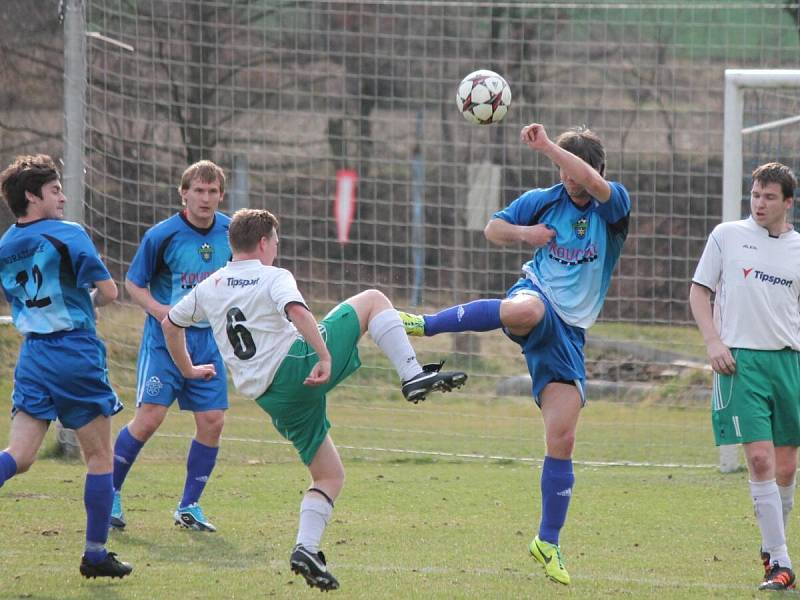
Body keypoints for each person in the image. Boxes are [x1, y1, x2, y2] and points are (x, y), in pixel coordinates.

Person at [161, 208, 468, 591]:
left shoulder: (210, 285)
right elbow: (296, 311)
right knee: (373, 299)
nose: (276, 249)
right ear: (263, 242)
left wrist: (189, 370)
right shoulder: (273, 275)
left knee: (329, 475)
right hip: (296, 366)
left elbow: (169, 324)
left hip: (270, 397)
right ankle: (412, 374)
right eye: (275, 242)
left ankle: (305, 548)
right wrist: (323, 355)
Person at [399, 123, 631, 585]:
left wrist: (548, 147)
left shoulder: (614, 206)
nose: (568, 179)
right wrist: (528, 236)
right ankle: (425, 324)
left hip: (571, 335)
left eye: (575, 169)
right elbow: (492, 227)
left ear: (596, 170)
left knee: (561, 438)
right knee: (525, 309)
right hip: (537, 294)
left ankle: (548, 541)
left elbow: (596, 185)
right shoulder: (543, 200)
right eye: (561, 169)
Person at [0, 154, 132, 579]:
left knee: (18, 457)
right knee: (99, 457)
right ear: (32, 196)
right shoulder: (67, 234)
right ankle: (95, 556)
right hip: (73, 351)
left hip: (33, 355)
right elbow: (110, 292)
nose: (63, 196)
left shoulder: (4, 245)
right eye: (55, 190)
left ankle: (97, 555)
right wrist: (85, 299)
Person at [690, 162, 800, 591]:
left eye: (770, 197)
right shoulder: (727, 236)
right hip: (740, 363)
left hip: (788, 362)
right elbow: (700, 291)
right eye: (756, 194)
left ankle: (774, 546)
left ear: (787, 203)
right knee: (758, 459)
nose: (760, 203)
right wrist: (714, 342)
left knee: (786, 468)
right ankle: (781, 563)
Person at [110, 160, 231, 532]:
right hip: (165, 340)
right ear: (184, 193)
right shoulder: (161, 235)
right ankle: (109, 493)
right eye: (199, 190)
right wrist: (162, 311)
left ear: (221, 195)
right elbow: (134, 283)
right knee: (149, 419)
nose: (206, 198)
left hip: (209, 341)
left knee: (212, 421)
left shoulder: (231, 231)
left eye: (212, 192)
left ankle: (189, 506)